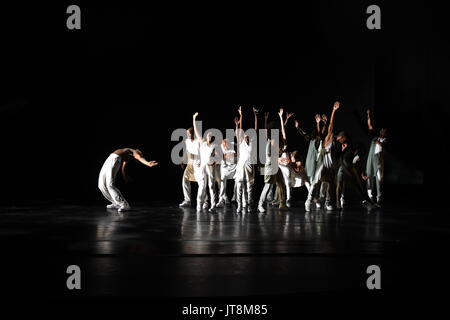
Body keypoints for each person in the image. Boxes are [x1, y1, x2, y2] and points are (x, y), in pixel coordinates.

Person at [305, 101, 340, 211]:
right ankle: (308, 200)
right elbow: (331, 125)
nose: (332, 134)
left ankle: (327, 202)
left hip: (329, 164)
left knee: (330, 183)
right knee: (316, 181)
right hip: (322, 162)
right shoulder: (326, 140)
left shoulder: (333, 142)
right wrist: (333, 111)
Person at [257, 108, 287, 213]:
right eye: (277, 129)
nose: (279, 130)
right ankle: (260, 204)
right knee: (268, 185)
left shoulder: (278, 139)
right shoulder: (271, 140)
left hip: (276, 164)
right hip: (270, 164)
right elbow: (269, 155)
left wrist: (281, 117)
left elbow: (283, 134)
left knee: (281, 182)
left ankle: (282, 204)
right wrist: (279, 158)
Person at [193, 112, 219, 212]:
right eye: (208, 134)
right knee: (202, 186)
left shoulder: (215, 146)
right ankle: (199, 204)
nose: (208, 135)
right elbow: (196, 132)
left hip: (210, 167)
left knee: (211, 186)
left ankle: (213, 206)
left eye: (210, 135)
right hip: (203, 166)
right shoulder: (203, 144)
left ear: (212, 138)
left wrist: (214, 162)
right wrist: (194, 119)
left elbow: (218, 157)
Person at [235, 106, 258, 213]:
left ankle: (249, 200)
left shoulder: (253, 142)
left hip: (249, 164)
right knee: (239, 183)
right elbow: (240, 128)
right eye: (244, 135)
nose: (246, 136)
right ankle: (239, 205)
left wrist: (255, 116)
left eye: (247, 136)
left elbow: (256, 129)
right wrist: (241, 115)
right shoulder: (240, 142)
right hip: (241, 165)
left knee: (249, 183)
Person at [365, 108, 388, 206]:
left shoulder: (385, 140)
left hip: (378, 160)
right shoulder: (375, 137)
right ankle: (370, 196)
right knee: (369, 176)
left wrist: (379, 142)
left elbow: (384, 147)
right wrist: (369, 115)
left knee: (378, 179)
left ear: (385, 133)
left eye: (384, 131)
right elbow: (369, 125)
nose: (382, 131)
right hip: (371, 159)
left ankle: (379, 198)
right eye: (381, 130)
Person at [216, 118, 239, 207]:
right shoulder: (221, 147)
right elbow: (219, 156)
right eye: (224, 146)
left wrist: (236, 125)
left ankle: (235, 196)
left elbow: (237, 135)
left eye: (226, 146)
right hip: (225, 168)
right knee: (222, 182)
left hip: (234, 167)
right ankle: (222, 198)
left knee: (238, 180)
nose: (225, 147)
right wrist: (224, 156)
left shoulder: (234, 146)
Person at [179, 128, 200, 207]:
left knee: (201, 184)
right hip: (190, 164)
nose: (188, 135)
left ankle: (205, 201)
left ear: (193, 134)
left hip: (198, 164)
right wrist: (182, 160)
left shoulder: (198, 141)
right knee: (185, 180)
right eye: (187, 133)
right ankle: (187, 201)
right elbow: (187, 151)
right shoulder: (187, 141)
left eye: (189, 133)